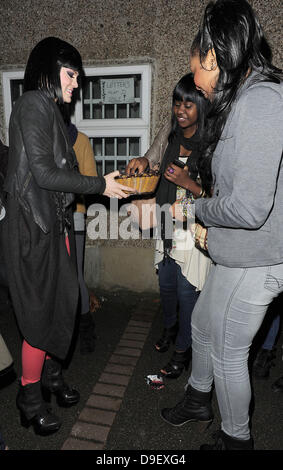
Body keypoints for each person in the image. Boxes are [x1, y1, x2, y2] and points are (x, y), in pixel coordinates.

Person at [160, 0, 283, 450]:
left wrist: (198, 211)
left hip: (261, 257)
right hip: (235, 253)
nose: (199, 88)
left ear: (214, 56)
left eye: (198, 75)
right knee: (204, 326)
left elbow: (249, 209)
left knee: (230, 353)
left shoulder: (263, 100)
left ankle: (236, 441)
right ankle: (197, 399)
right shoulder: (243, 100)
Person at [2, 37, 133, 436]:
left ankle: (52, 377)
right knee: (39, 319)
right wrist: (99, 185)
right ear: (48, 69)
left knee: (65, 304)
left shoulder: (50, 112)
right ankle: (29, 398)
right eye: (71, 74)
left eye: (77, 76)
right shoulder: (32, 105)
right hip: (31, 232)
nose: (76, 84)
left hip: (52, 226)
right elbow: (43, 174)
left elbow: (59, 175)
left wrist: (96, 183)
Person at [127, 73, 211, 379]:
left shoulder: (213, 142)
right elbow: (153, 156)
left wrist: (188, 182)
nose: (181, 109)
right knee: (167, 286)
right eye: (178, 101)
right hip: (166, 223)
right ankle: (170, 327)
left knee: (188, 292)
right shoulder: (172, 132)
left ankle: (182, 350)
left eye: (190, 103)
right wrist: (143, 161)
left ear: (203, 106)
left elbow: (216, 195)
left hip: (192, 228)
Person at [67, 122, 100, 355]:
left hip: (74, 213)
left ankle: (86, 327)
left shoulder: (80, 140)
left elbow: (92, 183)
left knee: (75, 275)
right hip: (46, 220)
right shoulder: (41, 137)